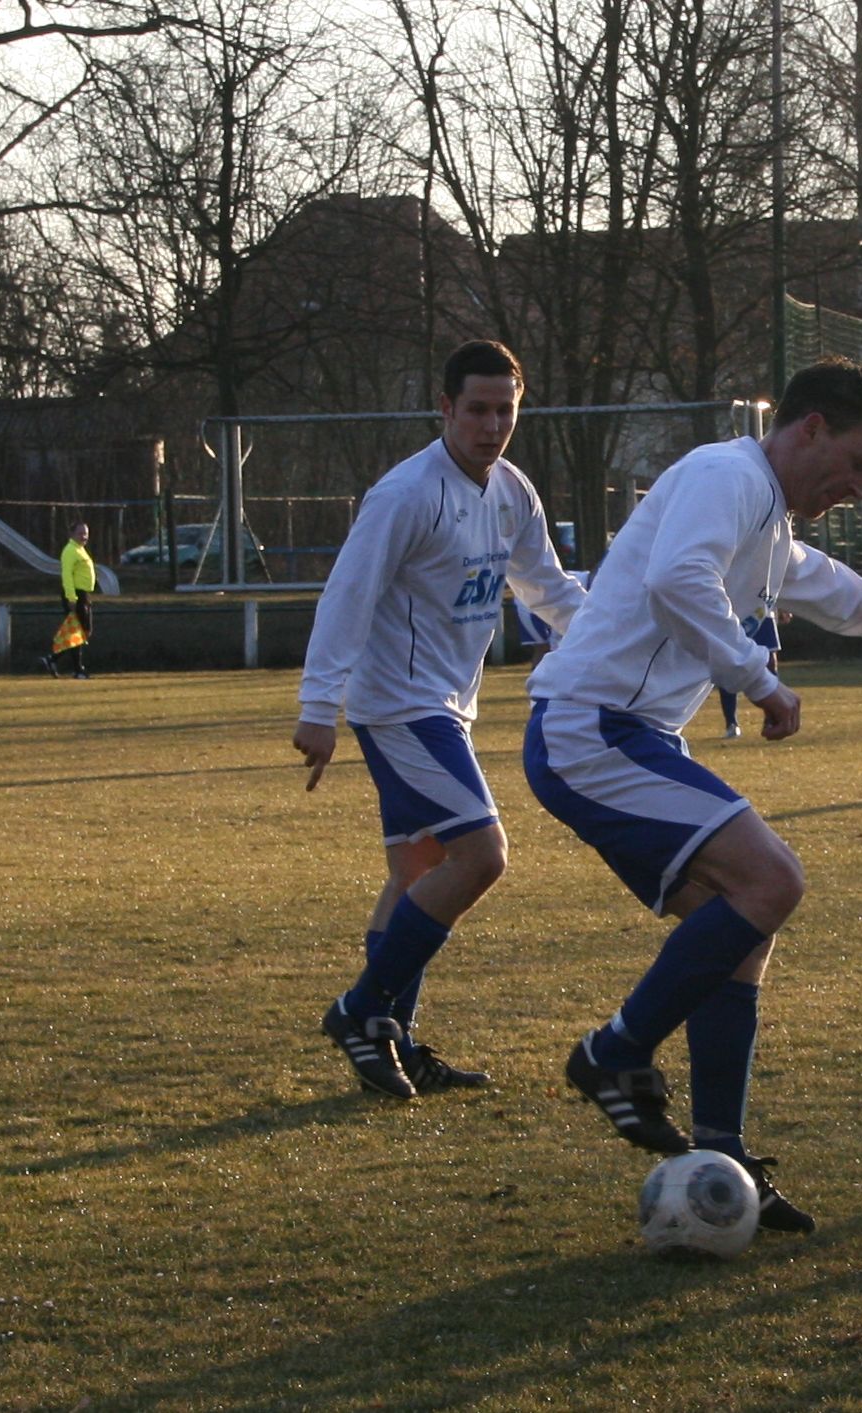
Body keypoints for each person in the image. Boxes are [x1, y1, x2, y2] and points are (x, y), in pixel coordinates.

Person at [521, 357, 862, 1235]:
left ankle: (723, 1152)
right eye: (856, 463)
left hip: (623, 735)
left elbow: (809, 577)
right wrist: (758, 680)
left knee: (744, 934)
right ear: (809, 427)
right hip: (593, 730)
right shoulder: (727, 474)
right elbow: (678, 580)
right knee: (774, 882)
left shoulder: (762, 510)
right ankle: (612, 1054)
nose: (856, 486)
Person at [297, 340, 587, 1099]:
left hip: (446, 708)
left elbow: (546, 588)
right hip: (399, 705)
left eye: (505, 410)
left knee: (418, 874)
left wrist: (616, 637)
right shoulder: (405, 494)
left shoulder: (512, 490)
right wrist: (316, 706)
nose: (492, 425)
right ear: (446, 409)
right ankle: (362, 1011)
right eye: (478, 409)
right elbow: (346, 596)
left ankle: (391, 1043)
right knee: (482, 857)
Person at [42, 520, 96, 679]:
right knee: (77, 631)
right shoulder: (70, 551)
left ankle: (52, 659)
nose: (84, 536)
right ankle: (78, 670)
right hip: (76, 595)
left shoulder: (80, 550)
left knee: (83, 630)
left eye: (86, 533)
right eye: (80, 533)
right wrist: (71, 598)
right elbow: (67, 576)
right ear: (72, 534)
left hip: (83, 594)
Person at [717, 611, 780, 739]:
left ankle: (773, 719)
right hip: (732, 611)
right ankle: (731, 723)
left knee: (770, 661)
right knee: (728, 660)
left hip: (763, 612)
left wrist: (784, 606)